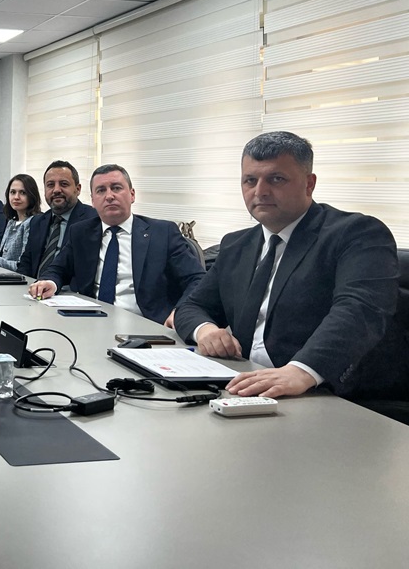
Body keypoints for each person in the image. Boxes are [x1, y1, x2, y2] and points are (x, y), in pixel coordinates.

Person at [175, 131, 406, 400]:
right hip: (248, 385)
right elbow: (191, 306)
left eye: (276, 179)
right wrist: (206, 330)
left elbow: (360, 310)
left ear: (309, 184)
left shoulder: (357, 234)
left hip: (329, 393)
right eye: (250, 180)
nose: (260, 192)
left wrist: (302, 370)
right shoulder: (236, 244)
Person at [29, 164, 204, 325]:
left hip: (146, 325)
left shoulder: (162, 233)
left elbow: (196, 279)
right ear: (93, 200)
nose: (109, 196)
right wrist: (50, 282)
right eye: (101, 190)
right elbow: (58, 269)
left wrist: (180, 312)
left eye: (116, 188)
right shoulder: (81, 232)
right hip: (90, 322)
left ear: (132, 194)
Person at [15, 160, 97, 279]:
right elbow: (25, 265)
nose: (56, 190)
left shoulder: (92, 220)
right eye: (50, 185)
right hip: (34, 287)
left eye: (64, 184)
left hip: (68, 289)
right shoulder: (37, 222)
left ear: (78, 189)